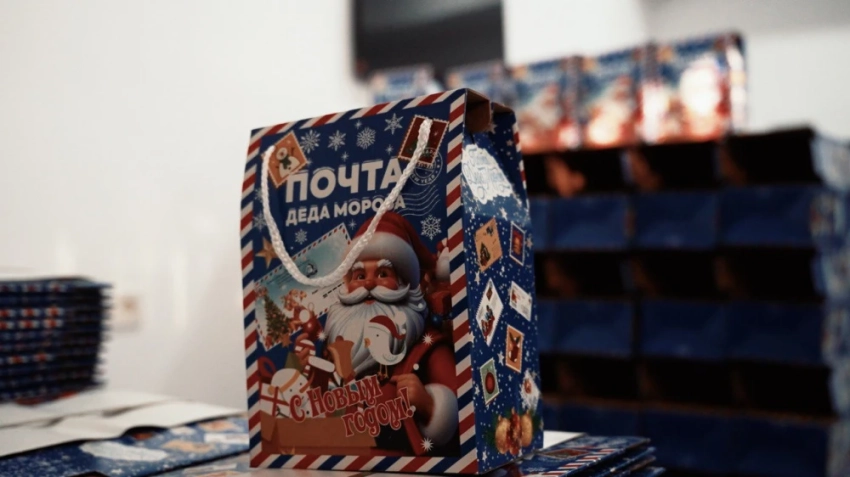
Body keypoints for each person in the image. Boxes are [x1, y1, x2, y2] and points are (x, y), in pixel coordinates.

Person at [296, 212, 459, 454]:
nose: (369, 284)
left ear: (403, 284)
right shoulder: (335, 345)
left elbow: (461, 411)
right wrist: (308, 369)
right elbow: (321, 399)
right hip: (339, 460)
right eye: (360, 276)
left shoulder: (427, 347)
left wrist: (430, 404)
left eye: (382, 274)